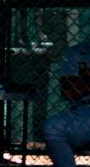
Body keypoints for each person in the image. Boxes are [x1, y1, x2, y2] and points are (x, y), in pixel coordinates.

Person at [43, 39, 90, 167]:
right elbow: (68, 91)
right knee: (53, 127)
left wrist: (85, 80)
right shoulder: (78, 52)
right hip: (85, 113)